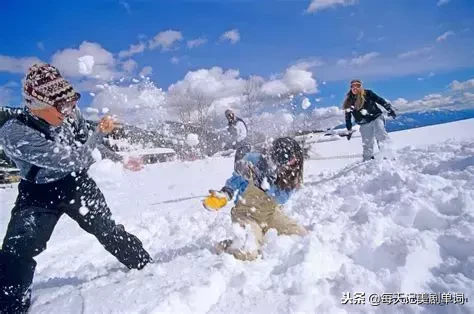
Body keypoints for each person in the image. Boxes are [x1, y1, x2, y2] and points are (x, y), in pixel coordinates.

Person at [0, 63, 151, 313]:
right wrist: (100, 134)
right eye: (62, 106)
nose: (69, 110)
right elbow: (74, 157)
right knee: (16, 253)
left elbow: (86, 142)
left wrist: (118, 158)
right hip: (39, 194)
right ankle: (9, 306)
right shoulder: (15, 133)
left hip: (76, 185)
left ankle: (146, 265)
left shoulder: (70, 113)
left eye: (72, 102)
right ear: (36, 105)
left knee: (107, 230)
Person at [203, 137, 308, 261]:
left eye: (294, 160)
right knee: (247, 253)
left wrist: (265, 184)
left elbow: (281, 199)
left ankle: (259, 235)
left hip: (271, 214)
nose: (291, 164)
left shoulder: (292, 173)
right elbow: (235, 181)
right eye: (288, 161)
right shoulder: (254, 162)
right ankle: (229, 245)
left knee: (302, 237)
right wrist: (225, 194)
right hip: (246, 214)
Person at [343, 79, 397, 161]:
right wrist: (349, 129)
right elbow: (347, 116)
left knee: (380, 133)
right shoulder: (349, 101)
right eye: (352, 86)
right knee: (367, 142)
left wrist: (389, 109)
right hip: (363, 123)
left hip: (376, 117)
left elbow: (380, 100)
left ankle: (388, 155)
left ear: (361, 87)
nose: (355, 88)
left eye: (357, 85)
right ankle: (368, 160)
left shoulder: (368, 93)